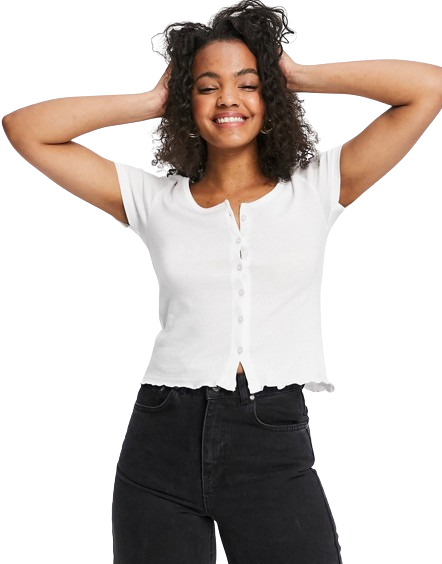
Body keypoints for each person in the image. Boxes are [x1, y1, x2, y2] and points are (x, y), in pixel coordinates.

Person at [2, 0, 441, 562]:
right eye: (207, 87)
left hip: (270, 437)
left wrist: (298, 74)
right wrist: (151, 100)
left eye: (248, 84)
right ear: (187, 103)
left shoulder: (317, 188)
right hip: (161, 438)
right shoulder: (153, 200)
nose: (228, 99)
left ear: (270, 97)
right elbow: (26, 129)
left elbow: (428, 87)